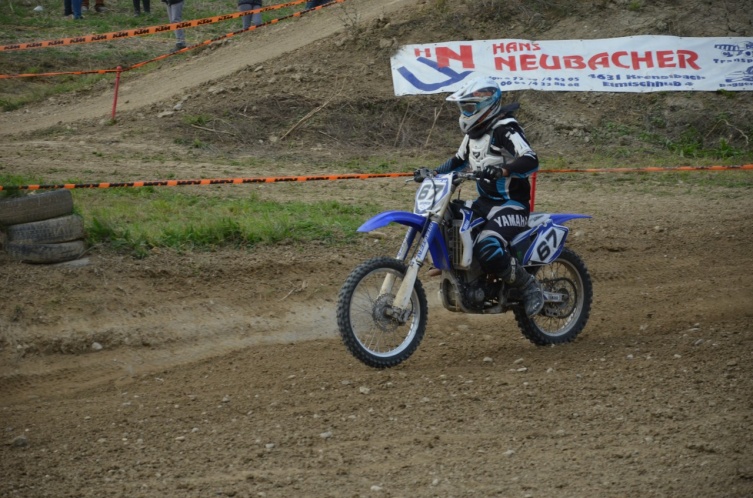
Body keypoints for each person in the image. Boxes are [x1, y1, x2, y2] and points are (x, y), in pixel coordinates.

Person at [416, 76, 544, 317]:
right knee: (447, 213)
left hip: (512, 205)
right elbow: (457, 161)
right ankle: (454, 268)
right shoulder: (474, 133)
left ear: (488, 105)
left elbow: (531, 159)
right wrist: (433, 172)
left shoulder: (505, 128)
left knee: (488, 245)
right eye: (463, 107)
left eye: (469, 107)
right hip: (485, 204)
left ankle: (529, 286)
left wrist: (504, 169)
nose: (465, 112)